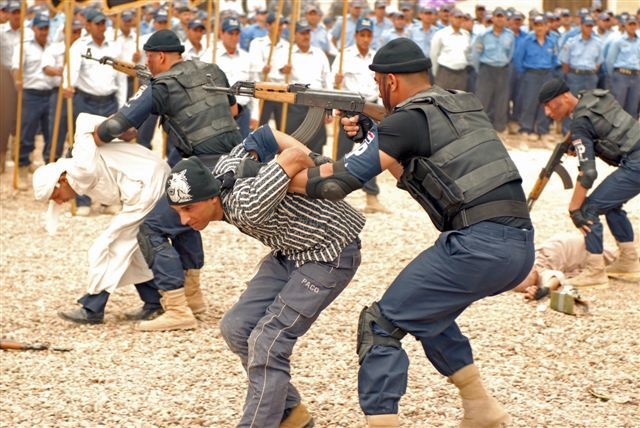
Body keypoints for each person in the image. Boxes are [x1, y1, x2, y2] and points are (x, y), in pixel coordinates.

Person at [289, 38, 534, 427]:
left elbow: (337, 184)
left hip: (477, 246)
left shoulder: (406, 120)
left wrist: (277, 179)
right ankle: (481, 409)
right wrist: (374, 136)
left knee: (380, 325)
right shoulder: (461, 103)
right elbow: (419, 174)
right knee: (426, 312)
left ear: (389, 82)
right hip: (518, 244)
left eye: (378, 85)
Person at [166, 125, 364, 427]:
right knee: (236, 327)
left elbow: (295, 155)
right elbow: (264, 136)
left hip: (329, 251)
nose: (184, 219)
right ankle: (291, 412)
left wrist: (325, 174)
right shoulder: (224, 169)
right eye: (177, 211)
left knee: (268, 341)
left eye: (189, 208)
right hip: (290, 249)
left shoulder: (247, 206)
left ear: (211, 199)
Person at [73, 29, 242, 331]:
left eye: (149, 58)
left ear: (160, 56)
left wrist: (93, 135)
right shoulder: (212, 70)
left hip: (205, 168)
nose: (147, 63)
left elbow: (116, 126)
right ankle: (194, 298)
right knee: (183, 217)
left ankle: (176, 308)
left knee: (151, 228)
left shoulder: (161, 84)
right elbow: (233, 109)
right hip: (237, 160)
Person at [32, 113, 169, 324]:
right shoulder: (78, 175)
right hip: (144, 184)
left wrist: (119, 125)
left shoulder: (80, 167)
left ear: (61, 180)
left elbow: (83, 120)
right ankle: (153, 302)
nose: (59, 202)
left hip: (149, 182)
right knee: (131, 247)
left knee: (108, 246)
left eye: (56, 196)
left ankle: (92, 307)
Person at [539, 78, 640, 288]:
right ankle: (629, 261)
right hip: (635, 154)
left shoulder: (580, 123)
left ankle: (595, 272)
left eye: (549, 106)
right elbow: (607, 132)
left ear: (564, 97)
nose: (548, 113)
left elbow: (588, 173)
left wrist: (574, 208)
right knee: (610, 203)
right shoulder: (593, 97)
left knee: (588, 209)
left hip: (635, 164)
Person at [66, 10, 128, 216]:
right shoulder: (79, 47)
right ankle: (82, 199)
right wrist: (68, 86)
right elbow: (72, 72)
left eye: (104, 23)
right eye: (98, 23)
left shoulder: (114, 46)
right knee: (83, 149)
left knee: (111, 150)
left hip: (109, 101)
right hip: (85, 101)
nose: (101, 27)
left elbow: (120, 79)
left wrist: (122, 106)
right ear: (89, 25)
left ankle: (108, 199)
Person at [333, 17, 388, 214]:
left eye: (368, 35)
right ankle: (335, 196)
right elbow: (332, 87)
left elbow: (381, 85)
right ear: (356, 35)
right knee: (343, 151)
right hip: (349, 106)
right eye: (362, 35)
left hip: (371, 106)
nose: (365, 39)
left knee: (372, 152)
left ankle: (372, 197)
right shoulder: (343, 57)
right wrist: (336, 80)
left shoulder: (377, 58)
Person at [272, 19, 331, 154]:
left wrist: (329, 108)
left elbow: (327, 81)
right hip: (293, 105)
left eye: (308, 32)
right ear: (294, 35)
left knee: (317, 146)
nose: (306, 36)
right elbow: (272, 77)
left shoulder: (319, 54)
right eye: (302, 33)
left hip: (317, 104)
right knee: (291, 145)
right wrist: (282, 71)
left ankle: (316, 174)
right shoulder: (285, 54)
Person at [11, 13, 52, 190]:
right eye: (40, 28)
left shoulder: (54, 46)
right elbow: (15, 68)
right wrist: (17, 81)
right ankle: (22, 166)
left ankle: (49, 171)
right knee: (27, 133)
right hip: (31, 94)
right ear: (33, 28)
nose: (43, 31)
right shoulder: (23, 47)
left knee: (51, 135)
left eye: (46, 28)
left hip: (50, 94)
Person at [513, 234, 616, 300]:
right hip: (591, 243)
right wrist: (542, 290)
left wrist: (543, 291)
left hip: (595, 250)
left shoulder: (537, 267)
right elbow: (555, 278)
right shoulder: (532, 259)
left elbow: (555, 279)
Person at [512, 15, 557, 144]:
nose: (539, 28)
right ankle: (526, 130)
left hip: (546, 74)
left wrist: (549, 73)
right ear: (533, 26)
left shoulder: (551, 42)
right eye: (537, 25)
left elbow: (554, 60)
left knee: (545, 104)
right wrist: (525, 75)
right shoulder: (526, 41)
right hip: (531, 75)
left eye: (542, 25)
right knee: (529, 102)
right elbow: (518, 60)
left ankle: (542, 131)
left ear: (546, 26)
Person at [471, 7, 514, 135]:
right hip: (486, 70)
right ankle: (481, 129)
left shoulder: (509, 35)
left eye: (502, 16)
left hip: (502, 70)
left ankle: (500, 128)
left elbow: (510, 54)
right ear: (493, 18)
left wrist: (503, 64)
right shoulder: (483, 35)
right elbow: (475, 55)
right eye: (497, 16)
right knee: (483, 100)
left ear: (506, 19)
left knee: (502, 100)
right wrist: (481, 70)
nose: (500, 19)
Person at [605, 16, 639, 119]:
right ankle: (615, 133)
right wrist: (614, 76)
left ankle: (630, 133)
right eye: (630, 24)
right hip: (621, 75)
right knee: (618, 105)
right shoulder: (618, 41)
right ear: (625, 25)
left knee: (633, 106)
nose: (632, 27)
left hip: (636, 77)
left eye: (634, 24)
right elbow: (610, 61)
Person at [559, 15, 603, 96]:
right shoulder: (572, 42)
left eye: (591, 26)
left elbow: (598, 62)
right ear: (581, 26)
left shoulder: (598, 43)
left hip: (590, 76)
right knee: (574, 103)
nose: (589, 28)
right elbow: (565, 62)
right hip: (575, 76)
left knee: (590, 104)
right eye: (587, 26)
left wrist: (591, 71)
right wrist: (572, 74)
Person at [430, 8, 471, 91]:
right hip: (445, 72)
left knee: (459, 100)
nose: (459, 20)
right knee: (443, 99)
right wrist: (435, 73)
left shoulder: (466, 34)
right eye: (457, 17)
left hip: (461, 72)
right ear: (450, 18)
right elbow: (434, 54)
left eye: (461, 17)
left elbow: (467, 53)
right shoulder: (441, 34)